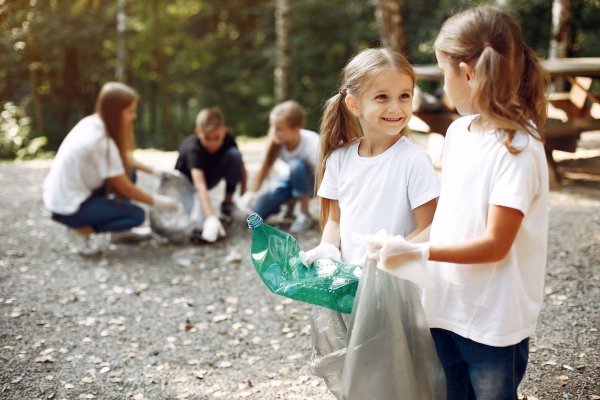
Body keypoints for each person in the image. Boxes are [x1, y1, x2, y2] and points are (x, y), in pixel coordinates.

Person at [362, 7, 551, 400]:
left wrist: (419, 252)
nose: (444, 87)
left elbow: (495, 244)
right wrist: (401, 248)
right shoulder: (459, 132)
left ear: (466, 72)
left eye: (444, 74)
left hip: (493, 323)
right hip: (446, 308)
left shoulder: (517, 148)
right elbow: (452, 217)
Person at [43, 82, 181, 256]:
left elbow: (122, 162)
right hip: (68, 207)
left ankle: (120, 234)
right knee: (135, 216)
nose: (134, 116)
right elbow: (125, 188)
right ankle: (80, 230)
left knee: (129, 173)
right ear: (116, 112)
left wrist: (155, 171)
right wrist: (160, 202)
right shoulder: (100, 141)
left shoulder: (92, 122)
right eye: (130, 111)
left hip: (64, 195)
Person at [242, 100, 319, 233]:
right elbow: (263, 171)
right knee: (253, 216)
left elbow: (326, 176)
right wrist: (250, 195)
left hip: (311, 185)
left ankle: (304, 214)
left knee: (296, 166)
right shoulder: (276, 143)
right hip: (289, 182)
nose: (274, 132)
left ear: (295, 129)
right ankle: (287, 210)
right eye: (272, 127)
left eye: (279, 129)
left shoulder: (313, 143)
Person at [174, 107, 247, 242]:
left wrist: (245, 196)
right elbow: (199, 185)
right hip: (186, 184)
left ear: (224, 132)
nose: (213, 143)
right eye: (207, 138)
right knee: (193, 222)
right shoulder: (192, 148)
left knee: (235, 156)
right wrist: (211, 217)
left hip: (210, 177)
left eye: (217, 138)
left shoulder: (228, 140)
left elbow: (241, 168)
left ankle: (228, 204)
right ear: (198, 132)